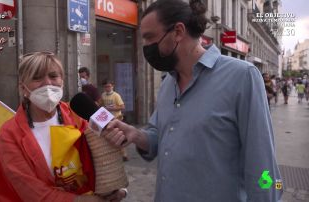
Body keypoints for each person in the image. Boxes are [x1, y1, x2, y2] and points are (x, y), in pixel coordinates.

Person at [102, 0, 282, 201]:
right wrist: (135, 134)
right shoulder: (168, 83)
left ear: (178, 31)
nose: (145, 47)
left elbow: (263, 164)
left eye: (150, 37)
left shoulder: (242, 77)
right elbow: (158, 136)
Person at [0, 52, 126, 202]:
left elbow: (101, 153)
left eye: (53, 76)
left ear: (62, 81)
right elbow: (30, 191)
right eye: (37, 78)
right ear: (23, 88)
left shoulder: (77, 113)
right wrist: (78, 201)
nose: (47, 83)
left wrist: (116, 188)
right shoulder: (9, 134)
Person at [100, 79, 128, 161]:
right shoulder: (103, 95)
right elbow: (101, 104)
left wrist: (113, 108)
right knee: (109, 137)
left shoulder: (116, 95)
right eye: (106, 87)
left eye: (109, 86)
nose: (107, 88)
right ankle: (112, 154)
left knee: (119, 136)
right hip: (107, 119)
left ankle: (124, 154)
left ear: (112, 86)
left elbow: (122, 106)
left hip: (117, 118)